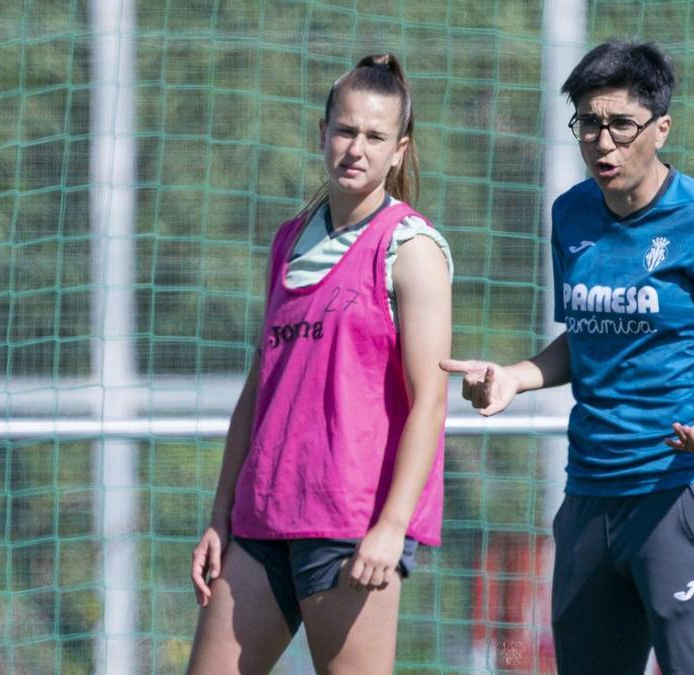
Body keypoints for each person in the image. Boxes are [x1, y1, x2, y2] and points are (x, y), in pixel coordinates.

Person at [442, 40, 694, 674]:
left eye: (621, 124)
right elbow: (585, 337)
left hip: (679, 492)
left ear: (660, 127)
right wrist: (515, 376)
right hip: (589, 500)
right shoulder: (572, 214)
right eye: (589, 123)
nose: (602, 142)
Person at [187, 54, 452, 674]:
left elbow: (429, 401)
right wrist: (220, 514)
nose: (356, 147)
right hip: (261, 520)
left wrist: (391, 527)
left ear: (399, 149)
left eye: (375, 136)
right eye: (345, 130)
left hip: (350, 529)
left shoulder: (411, 248)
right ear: (323, 133)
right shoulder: (289, 239)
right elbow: (261, 388)